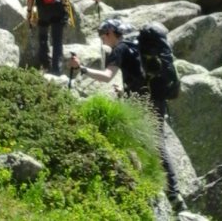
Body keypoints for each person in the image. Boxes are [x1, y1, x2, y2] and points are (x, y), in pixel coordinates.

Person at [69, 19, 187, 212]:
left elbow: (107, 76)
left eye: (102, 35)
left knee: (150, 144)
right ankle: (168, 193)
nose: (102, 39)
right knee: (156, 143)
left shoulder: (120, 49)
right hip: (156, 98)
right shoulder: (138, 46)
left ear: (110, 33)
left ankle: (169, 194)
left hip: (142, 103)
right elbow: (141, 76)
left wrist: (81, 68)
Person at [26, 0, 100, 76]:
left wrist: (29, 11)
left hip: (42, 6)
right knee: (57, 41)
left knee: (43, 37)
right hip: (58, 6)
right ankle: (56, 72)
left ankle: (44, 67)